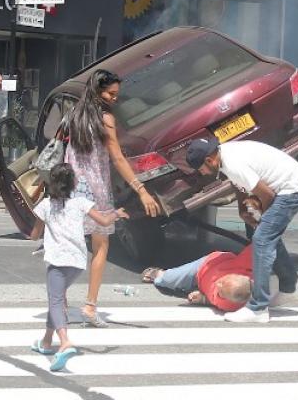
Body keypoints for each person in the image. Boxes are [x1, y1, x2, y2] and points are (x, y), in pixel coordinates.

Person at [64, 69, 161, 327]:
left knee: (70, 246)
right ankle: (90, 306)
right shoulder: (105, 119)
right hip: (96, 190)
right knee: (100, 246)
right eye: (110, 93)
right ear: (98, 90)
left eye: (117, 94)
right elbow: (117, 158)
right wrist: (141, 190)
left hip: (72, 188)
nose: (114, 98)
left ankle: (60, 302)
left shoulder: (75, 114)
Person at [187, 137, 298, 323]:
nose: (202, 173)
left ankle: (258, 308)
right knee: (259, 232)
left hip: (293, 189)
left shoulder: (233, 164)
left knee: (262, 239)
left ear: (209, 160)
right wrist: (243, 209)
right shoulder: (224, 155)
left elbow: (267, 195)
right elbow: (240, 184)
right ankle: (290, 287)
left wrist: (264, 219)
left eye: (201, 169)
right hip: (286, 186)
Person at [28, 163, 128, 372]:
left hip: (57, 261)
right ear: (73, 183)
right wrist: (117, 213)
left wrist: (39, 224)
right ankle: (46, 341)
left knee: (56, 301)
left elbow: (34, 236)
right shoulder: (81, 203)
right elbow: (104, 221)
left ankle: (64, 342)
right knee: (56, 298)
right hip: (77, 263)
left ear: (51, 183)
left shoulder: (45, 205)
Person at [140, 245, 253, 312]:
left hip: (203, 282)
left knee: (171, 282)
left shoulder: (228, 305)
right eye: (223, 281)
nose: (218, 284)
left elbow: (214, 302)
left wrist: (203, 299)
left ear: (228, 299)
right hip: (205, 265)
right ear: (239, 275)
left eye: (221, 291)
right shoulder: (244, 265)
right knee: (168, 279)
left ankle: (160, 276)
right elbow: (257, 245)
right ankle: (159, 274)